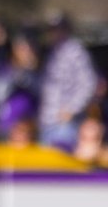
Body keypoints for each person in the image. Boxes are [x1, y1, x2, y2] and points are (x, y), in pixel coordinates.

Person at [38, 13, 98, 149]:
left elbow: (89, 83)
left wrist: (72, 108)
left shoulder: (75, 51)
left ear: (67, 29)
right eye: (52, 29)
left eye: (60, 29)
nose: (56, 33)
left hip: (64, 124)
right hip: (46, 123)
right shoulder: (51, 53)